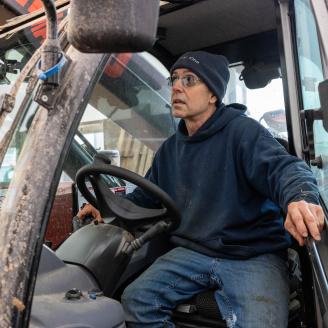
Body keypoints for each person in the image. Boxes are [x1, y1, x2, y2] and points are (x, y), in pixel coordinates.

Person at [77, 51, 324, 328]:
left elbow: (285, 169)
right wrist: (104, 204)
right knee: (136, 302)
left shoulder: (244, 133)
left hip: (251, 253)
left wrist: (299, 199)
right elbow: (145, 198)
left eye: (189, 79)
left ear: (213, 95)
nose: (177, 87)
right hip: (193, 252)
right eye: (174, 80)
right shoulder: (171, 149)